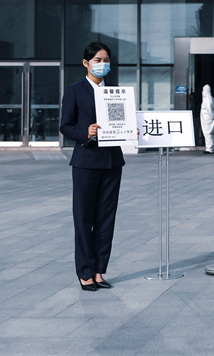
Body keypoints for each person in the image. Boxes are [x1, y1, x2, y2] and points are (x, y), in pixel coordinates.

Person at [60, 41, 125, 292]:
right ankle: (85, 272)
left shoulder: (116, 92)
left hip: (112, 162)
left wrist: (132, 129)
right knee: (84, 218)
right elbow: (66, 126)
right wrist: (85, 133)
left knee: (106, 219)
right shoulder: (75, 90)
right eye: (97, 60)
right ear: (86, 63)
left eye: (106, 60)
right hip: (86, 162)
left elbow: (123, 121)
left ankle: (99, 270)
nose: (102, 64)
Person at [200, 84, 214, 153]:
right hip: (208, 117)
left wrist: (212, 115)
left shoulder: (207, 99)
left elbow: (209, 109)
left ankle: (209, 148)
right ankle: (211, 147)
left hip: (207, 118)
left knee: (207, 133)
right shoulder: (209, 98)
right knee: (209, 133)